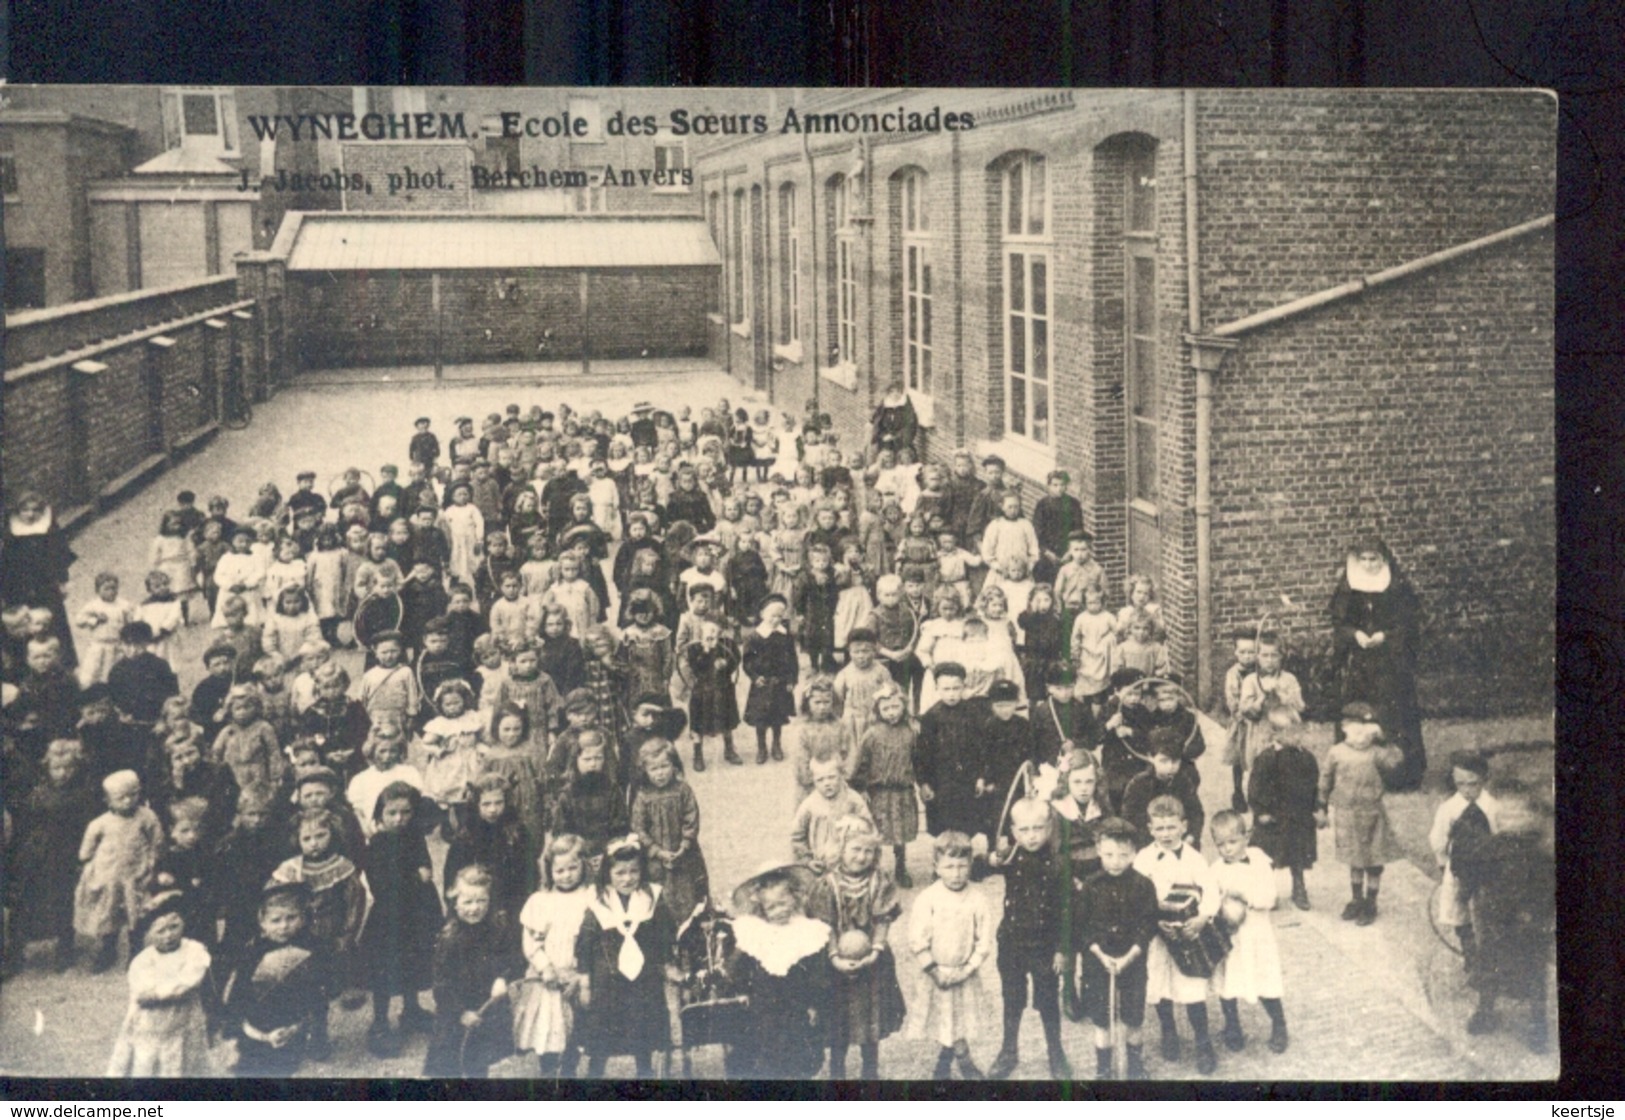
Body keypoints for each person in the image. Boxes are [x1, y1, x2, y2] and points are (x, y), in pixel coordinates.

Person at [1449, 779, 1554, 1052]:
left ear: (1534, 818)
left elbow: (1548, 887)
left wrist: (1540, 914)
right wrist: (1464, 891)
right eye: (1506, 814)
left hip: (1530, 923)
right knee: (1489, 967)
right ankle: (1486, 1011)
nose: (1511, 820)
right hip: (1495, 922)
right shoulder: (1493, 846)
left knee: (1534, 974)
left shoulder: (1540, 854)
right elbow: (1472, 869)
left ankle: (1537, 1024)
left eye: (1519, 813)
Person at [574, 835, 678, 1078]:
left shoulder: (651, 896)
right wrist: (585, 981)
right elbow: (585, 943)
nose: (627, 878)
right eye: (620, 873)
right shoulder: (598, 899)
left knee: (643, 1026)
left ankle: (645, 1069)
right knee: (603, 1030)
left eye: (633, 871)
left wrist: (667, 962)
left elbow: (664, 933)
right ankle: (595, 1071)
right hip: (607, 979)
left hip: (644, 977)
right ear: (608, 873)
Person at [1328, 536, 1426, 790]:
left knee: (1394, 714)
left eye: (1374, 559)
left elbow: (1409, 622)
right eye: (1364, 559)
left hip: (1390, 663)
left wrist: (1386, 636)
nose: (1369, 565)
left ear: (1383, 560)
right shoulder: (1349, 586)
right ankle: (1355, 771)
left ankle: (1399, 776)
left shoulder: (1396, 586)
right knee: (1356, 712)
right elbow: (1339, 623)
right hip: (1359, 664)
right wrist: (1355, 635)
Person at [1133, 794, 1221, 1075]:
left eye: (1171, 827)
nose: (1166, 834)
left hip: (1188, 936)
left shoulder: (1195, 858)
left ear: (1183, 826)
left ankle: (1203, 1042)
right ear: (1150, 829)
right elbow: (1138, 897)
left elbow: (1211, 891)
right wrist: (1155, 922)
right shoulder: (1144, 859)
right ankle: (1168, 1032)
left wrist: (1202, 918)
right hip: (1159, 935)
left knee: (1192, 987)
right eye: (1159, 828)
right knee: (1160, 987)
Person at [985, 797, 1072, 1079]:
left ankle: (1055, 1052)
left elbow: (1066, 909)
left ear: (1049, 828)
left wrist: (1062, 949)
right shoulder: (1010, 858)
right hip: (1012, 941)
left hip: (1045, 946)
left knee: (1048, 999)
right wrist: (989, 857)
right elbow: (978, 870)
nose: (1031, 836)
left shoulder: (1059, 862)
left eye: (1037, 828)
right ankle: (1008, 1050)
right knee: (1012, 997)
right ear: (1013, 831)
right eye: (1024, 830)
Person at [727, 862, 834, 1080]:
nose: (779, 911)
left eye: (783, 903)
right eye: (772, 907)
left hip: (797, 1003)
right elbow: (739, 966)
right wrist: (741, 989)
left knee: (799, 1048)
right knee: (766, 1048)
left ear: (795, 898)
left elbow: (818, 971)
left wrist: (814, 1003)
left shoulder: (807, 931)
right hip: (764, 1004)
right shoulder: (756, 932)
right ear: (762, 908)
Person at [359, 782, 442, 1056]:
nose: (399, 819)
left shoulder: (414, 837)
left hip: (419, 913)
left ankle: (412, 1009)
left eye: (406, 812)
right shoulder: (377, 844)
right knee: (386, 970)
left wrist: (418, 874)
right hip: (391, 917)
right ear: (380, 814)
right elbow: (382, 885)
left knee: (415, 962)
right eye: (392, 812)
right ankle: (380, 1021)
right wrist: (414, 876)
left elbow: (426, 869)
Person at [1074, 817, 1158, 1080]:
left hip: (1132, 961)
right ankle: (1103, 1069)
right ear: (1099, 850)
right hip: (1098, 963)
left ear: (1134, 853)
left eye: (1123, 855)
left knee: (1133, 1018)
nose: (1115, 861)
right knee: (1102, 1020)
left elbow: (1147, 926)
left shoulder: (1144, 885)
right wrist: (1100, 954)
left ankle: (1134, 1067)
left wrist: (1129, 957)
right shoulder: (1090, 885)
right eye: (1109, 854)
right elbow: (1082, 927)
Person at [423, 864, 527, 1077]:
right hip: (455, 1013)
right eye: (467, 902)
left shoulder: (497, 929)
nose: (474, 908)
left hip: (484, 1007)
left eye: (481, 901)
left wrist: (502, 978)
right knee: (448, 1064)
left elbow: (511, 958)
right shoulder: (449, 938)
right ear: (455, 902)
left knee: (478, 1062)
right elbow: (441, 985)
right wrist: (460, 1012)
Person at [6, 739, 101, 971]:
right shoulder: (39, 791)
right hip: (37, 852)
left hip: (66, 853)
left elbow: (89, 826)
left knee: (63, 901)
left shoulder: (84, 794)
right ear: (48, 768)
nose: (63, 773)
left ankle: (64, 948)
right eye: (57, 768)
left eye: (68, 768)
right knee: (24, 900)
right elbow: (25, 817)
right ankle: (15, 952)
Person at [907, 831, 992, 1080]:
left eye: (962, 866)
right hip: (936, 973)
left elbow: (983, 941)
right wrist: (933, 970)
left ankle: (955, 1059)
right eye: (949, 866)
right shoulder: (928, 899)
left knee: (961, 1018)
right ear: (936, 867)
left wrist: (968, 968)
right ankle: (952, 1060)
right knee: (944, 1018)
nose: (956, 873)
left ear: (970, 866)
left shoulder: (978, 899)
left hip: (964, 972)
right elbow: (916, 939)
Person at [222, 882, 329, 1076]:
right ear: (262, 922)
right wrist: (253, 1031)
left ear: (303, 918)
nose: (284, 926)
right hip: (258, 1027)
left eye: (291, 918)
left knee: (286, 1069)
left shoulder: (312, 948)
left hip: (292, 1025)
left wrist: (298, 1025)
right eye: (275, 920)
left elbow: (317, 991)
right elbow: (238, 996)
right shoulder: (253, 952)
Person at [1315, 702, 1405, 925]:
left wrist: (1387, 740)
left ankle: (1370, 902)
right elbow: (1325, 779)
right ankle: (1356, 900)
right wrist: (1321, 806)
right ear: (1345, 727)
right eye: (1355, 726)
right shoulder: (1336, 752)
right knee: (1354, 859)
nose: (1360, 733)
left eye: (1366, 727)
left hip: (1372, 812)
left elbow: (1396, 762)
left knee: (1373, 860)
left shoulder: (1377, 752)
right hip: (1347, 813)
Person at [1208, 811, 1290, 1055]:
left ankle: (1279, 1024)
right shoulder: (1215, 869)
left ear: (1246, 837)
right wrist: (1217, 908)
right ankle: (1232, 1025)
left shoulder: (1259, 862)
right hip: (1230, 937)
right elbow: (1211, 899)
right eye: (1220, 844)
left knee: (1264, 980)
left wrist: (1245, 897)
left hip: (1256, 935)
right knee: (1227, 982)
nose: (1227, 850)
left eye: (1232, 842)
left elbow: (1269, 897)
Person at [106, 891, 214, 1076]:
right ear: (148, 934)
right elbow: (141, 991)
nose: (169, 935)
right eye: (160, 931)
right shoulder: (143, 960)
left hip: (184, 1018)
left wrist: (157, 993)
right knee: (148, 1062)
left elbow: (188, 982)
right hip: (151, 1024)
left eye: (174, 927)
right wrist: (157, 992)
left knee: (186, 1062)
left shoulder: (194, 951)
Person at [514, 833, 593, 1076]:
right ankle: (547, 1070)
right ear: (549, 871)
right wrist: (545, 967)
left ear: (584, 866)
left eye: (573, 868)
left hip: (577, 974)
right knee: (548, 1025)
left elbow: (596, 941)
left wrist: (581, 975)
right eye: (560, 870)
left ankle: (569, 1070)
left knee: (575, 1028)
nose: (567, 875)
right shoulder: (541, 901)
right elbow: (531, 942)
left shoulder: (592, 897)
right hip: (548, 977)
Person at [75, 769, 164, 973]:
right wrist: (88, 862)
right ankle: (108, 950)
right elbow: (86, 850)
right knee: (109, 915)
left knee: (136, 915)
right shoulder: (101, 823)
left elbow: (157, 842)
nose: (127, 801)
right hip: (110, 878)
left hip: (136, 876)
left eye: (132, 795)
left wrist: (151, 863)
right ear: (108, 800)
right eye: (120, 798)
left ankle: (136, 952)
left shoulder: (147, 817)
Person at [1429, 750, 1501, 974]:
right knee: (1460, 912)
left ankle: (1490, 957)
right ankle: (1470, 955)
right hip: (1459, 869)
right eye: (1461, 784)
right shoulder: (1449, 809)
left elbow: (1501, 836)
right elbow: (1438, 839)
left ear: (1484, 779)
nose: (1468, 790)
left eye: (1473, 784)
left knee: (1488, 913)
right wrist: (1443, 864)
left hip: (1489, 870)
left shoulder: (1494, 807)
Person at [630, 739, 710, 929]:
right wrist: (656, 851)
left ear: (674, 766)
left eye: (665, 766)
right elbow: (639, 827)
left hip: (685, 853)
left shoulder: (683, 790)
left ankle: (693, 932)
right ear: (645, 771)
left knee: (690, 892)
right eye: (654, 769)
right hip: (656, 858)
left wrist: (685, 844)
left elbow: (691, 817)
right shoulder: (643, 796)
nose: (660, 773)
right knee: (660, 896)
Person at [847, 684, 919, 887]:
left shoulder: (910, 732)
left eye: (896, 707)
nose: (891, 713)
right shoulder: (872, 734)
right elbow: (862, 762)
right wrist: (860, 788)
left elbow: (917, 760)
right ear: (878, 710)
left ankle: (901, 867)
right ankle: (873, 868)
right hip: (879, 792)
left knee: (900, 832)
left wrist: (921, 783)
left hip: (902, 791)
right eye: (886, 708)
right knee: (877, 831)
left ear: (903, 707)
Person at [1247, 716, 1321, 911]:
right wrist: (1260, 811)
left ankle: (1299, 888)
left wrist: (1318, 808)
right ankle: (1268, 892)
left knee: (1298, 854)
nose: (1298, 737)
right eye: (1291, 732)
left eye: (1300, 731)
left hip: (1299, 816)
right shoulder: (1266, 758)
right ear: (1276, 734)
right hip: (1273, 817)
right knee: (1269, 855)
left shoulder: (1306, 758)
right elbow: (1255, 787)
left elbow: (1314, 786)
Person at [1, 490, 79, 669]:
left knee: (52, 622)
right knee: (23, 624)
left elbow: (59, 554)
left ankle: (62, 665)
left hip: (45, 585)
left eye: (35, 510)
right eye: (25, 510)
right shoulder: (12, 532)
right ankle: (28, 665)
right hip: (19, 586)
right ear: (18, 512)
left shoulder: (48, 529)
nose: (30, 514)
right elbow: (5, 563)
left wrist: (62, 581)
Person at [444, 772, 532, 921]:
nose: (493, 809)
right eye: (486, 804)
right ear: (476, 804)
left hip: (511, 905)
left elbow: (529, 874)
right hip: (475, 906)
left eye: (498, 803)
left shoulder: (517, 833)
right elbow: (452, 877)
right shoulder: (466, 836)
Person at [743, 594, 798, 764]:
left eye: (779, 616)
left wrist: (791, 680)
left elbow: (793, 659)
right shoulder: (755, 636)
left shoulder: (785, 635)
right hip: (762, 683)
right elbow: (747, 661)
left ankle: (776, 744)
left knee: (778, 716)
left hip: (780, 682)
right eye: (772, 616)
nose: (776, 620)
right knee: (761, 717)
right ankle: (761, 747)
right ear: (762, 615)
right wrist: (754, 677)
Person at [681, 619, 741, 771]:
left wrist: (726, 664)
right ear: (701, 634)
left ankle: (729, 749)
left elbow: (736, 660)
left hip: (723, 687)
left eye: (715, 631)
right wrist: (706, 651)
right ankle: (698, 754)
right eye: (708, 633)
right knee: (698, 722)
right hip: (703, 689)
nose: (712, 635)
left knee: (727, 720)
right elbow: (694, 667)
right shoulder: (695, 648)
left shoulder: (727, 645)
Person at [75, 573, 135, 688]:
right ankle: (91, 693)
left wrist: (129, 620)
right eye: (106, 589)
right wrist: (95, 619)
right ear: (98, 590)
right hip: (99, 645)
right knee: (93, 671)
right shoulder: (94, 605)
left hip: (117, 644)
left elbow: (132, 619)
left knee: (115, 671)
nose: (111, 591)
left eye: (113, 588)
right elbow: (79, 620)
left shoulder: (123, 604)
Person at [869, 379, 920, 460]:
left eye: (898, 391)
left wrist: (894, 437)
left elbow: (909, 427)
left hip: (901, 444)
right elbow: (877, 423)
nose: (895, 394)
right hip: (884, 442)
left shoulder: (907, 408)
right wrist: (882, 435)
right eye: (892, 391)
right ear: (888, 393)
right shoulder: (884, 406)